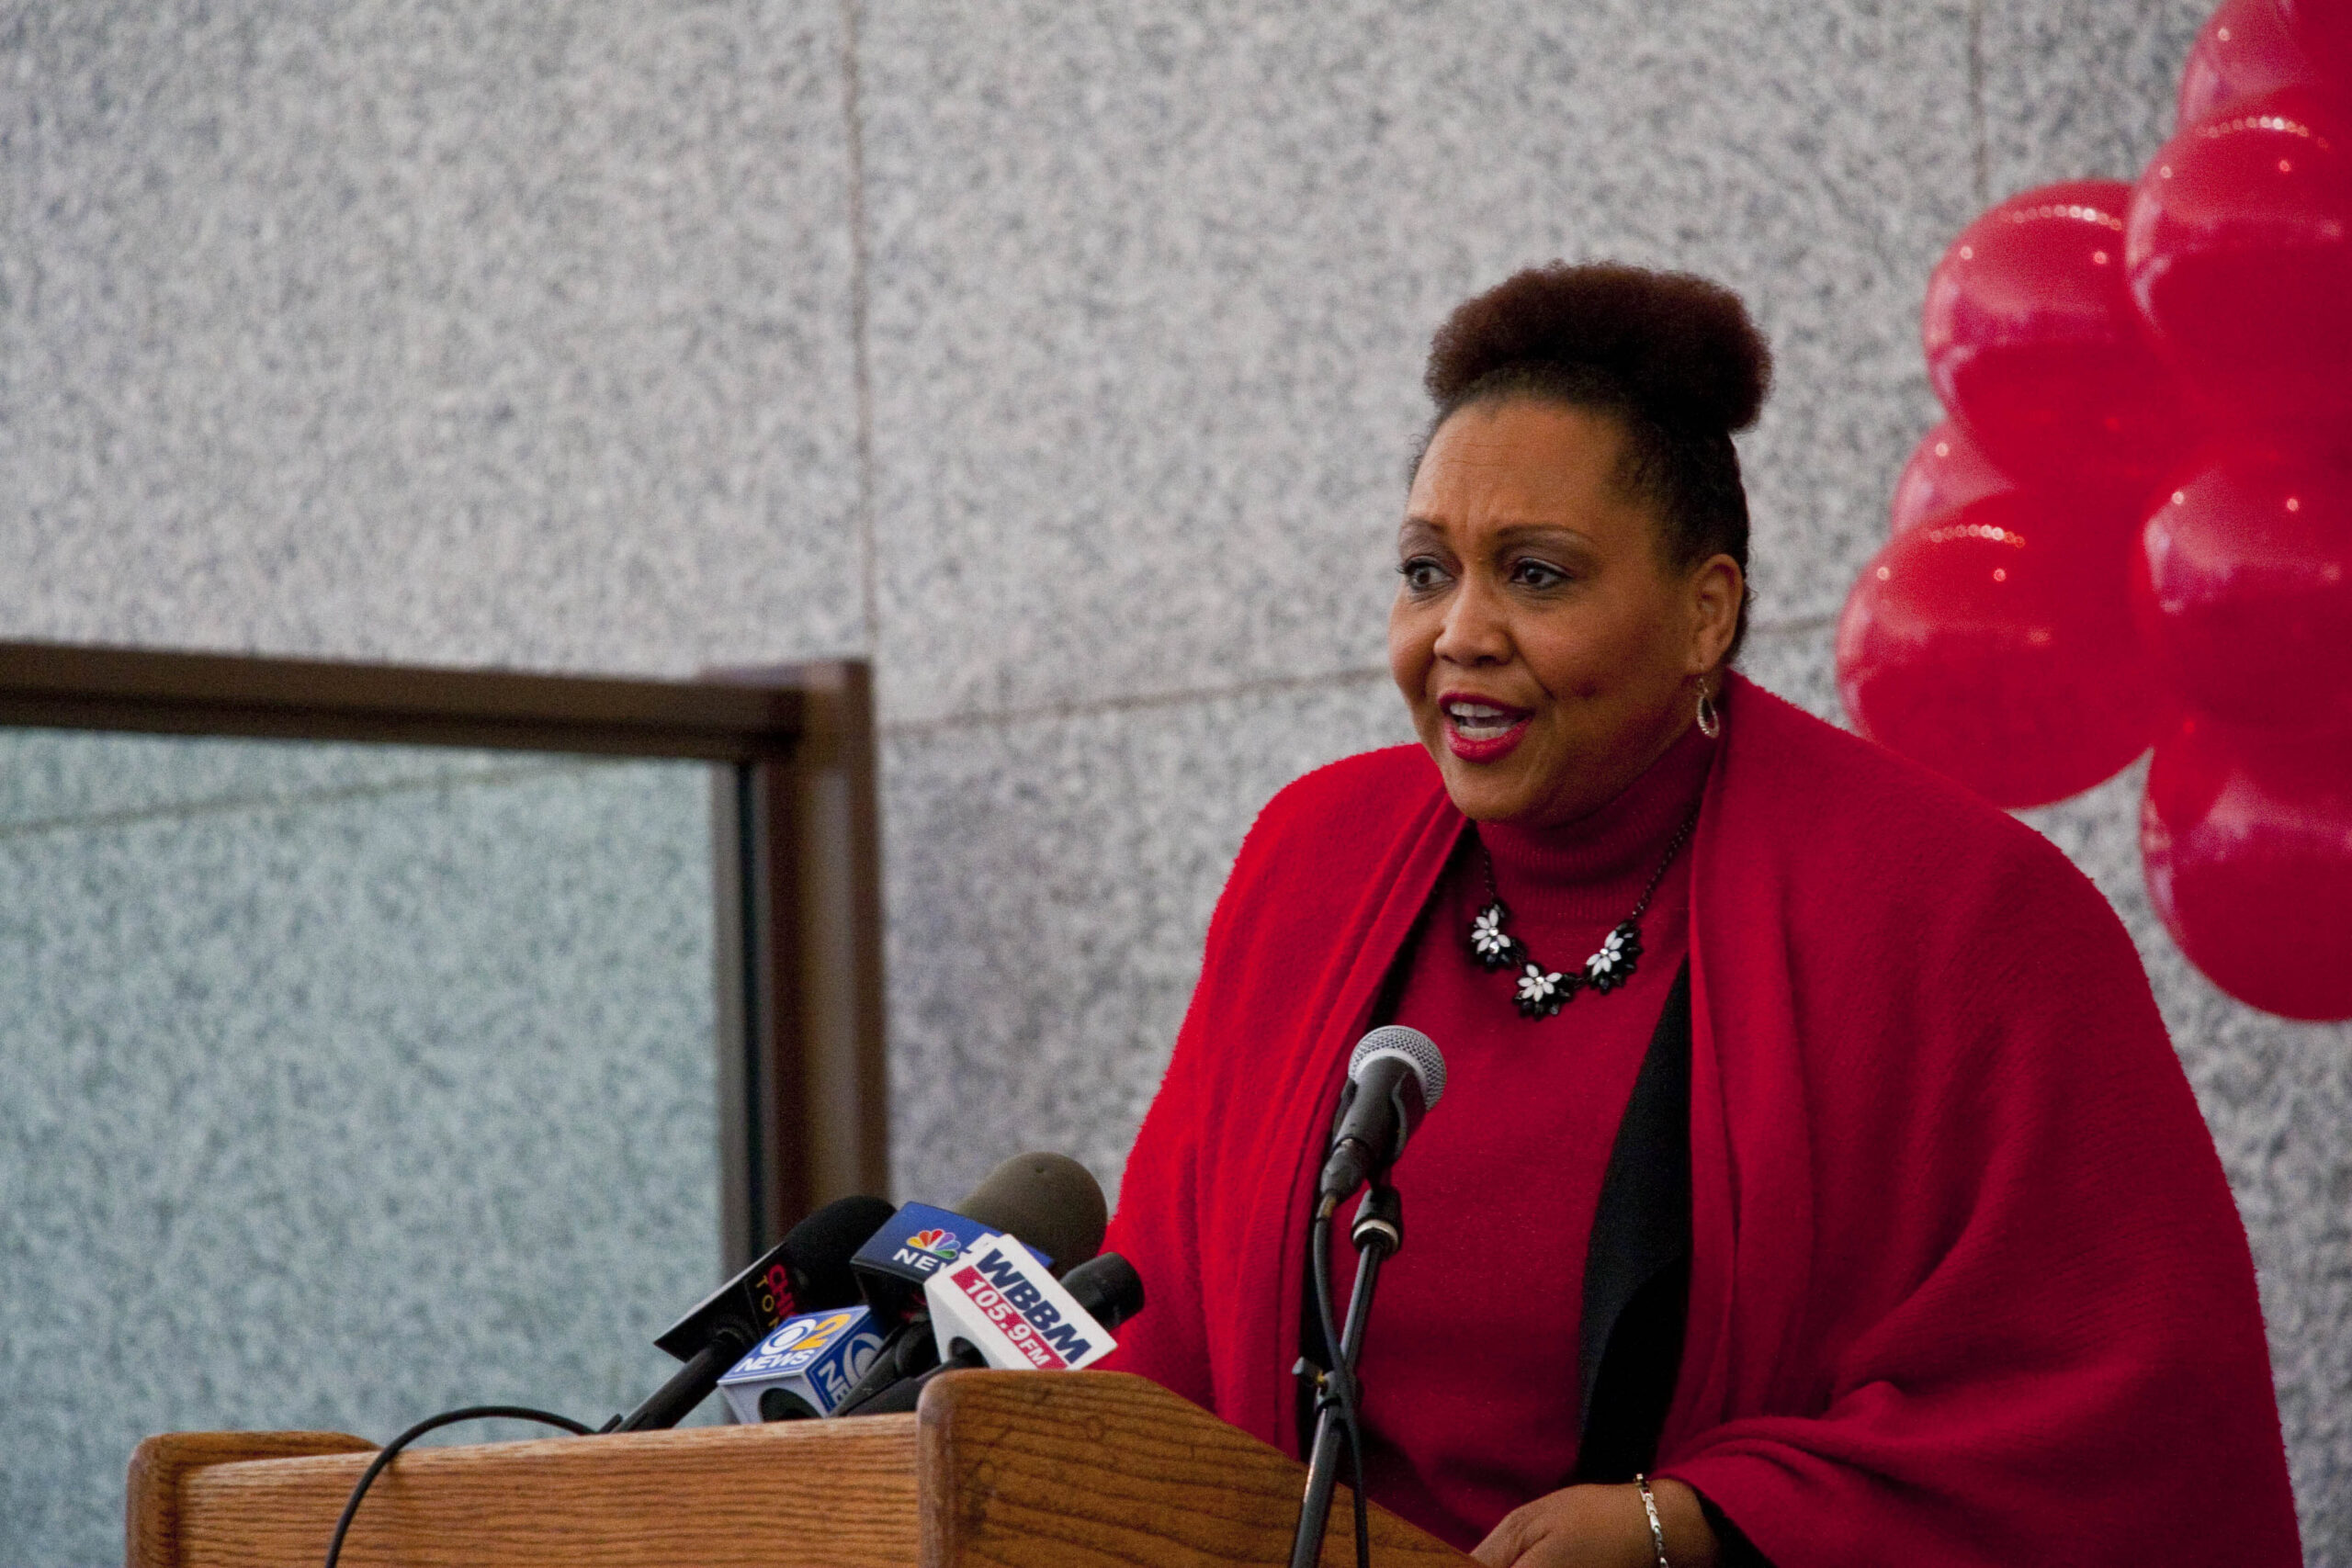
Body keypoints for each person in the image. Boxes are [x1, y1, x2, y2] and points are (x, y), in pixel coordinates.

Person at [1098, 263, 2301, 1567]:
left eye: (1538, 576)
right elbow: (1158, 1328)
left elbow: (2125, 1418)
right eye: (1425, 571)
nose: (1460, 632)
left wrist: (1700, 1526)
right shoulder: (1314, 863)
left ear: (1704, 613)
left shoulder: (1956, 916)